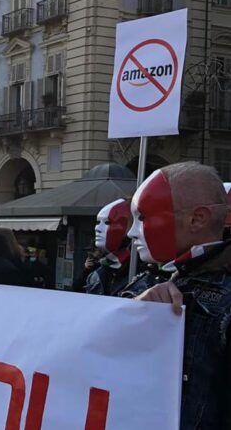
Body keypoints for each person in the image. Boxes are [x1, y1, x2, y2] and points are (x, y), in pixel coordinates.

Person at [131, 163, 231, 428]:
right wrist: (132, 315)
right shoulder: (152, 280)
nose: (132, 232)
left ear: (197, 219)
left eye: (142, 218)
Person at [85, 199, 133, 296]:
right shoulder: (102, 269)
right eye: (98, 222)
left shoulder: (139, 269)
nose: (97, 228)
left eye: (107, 222)